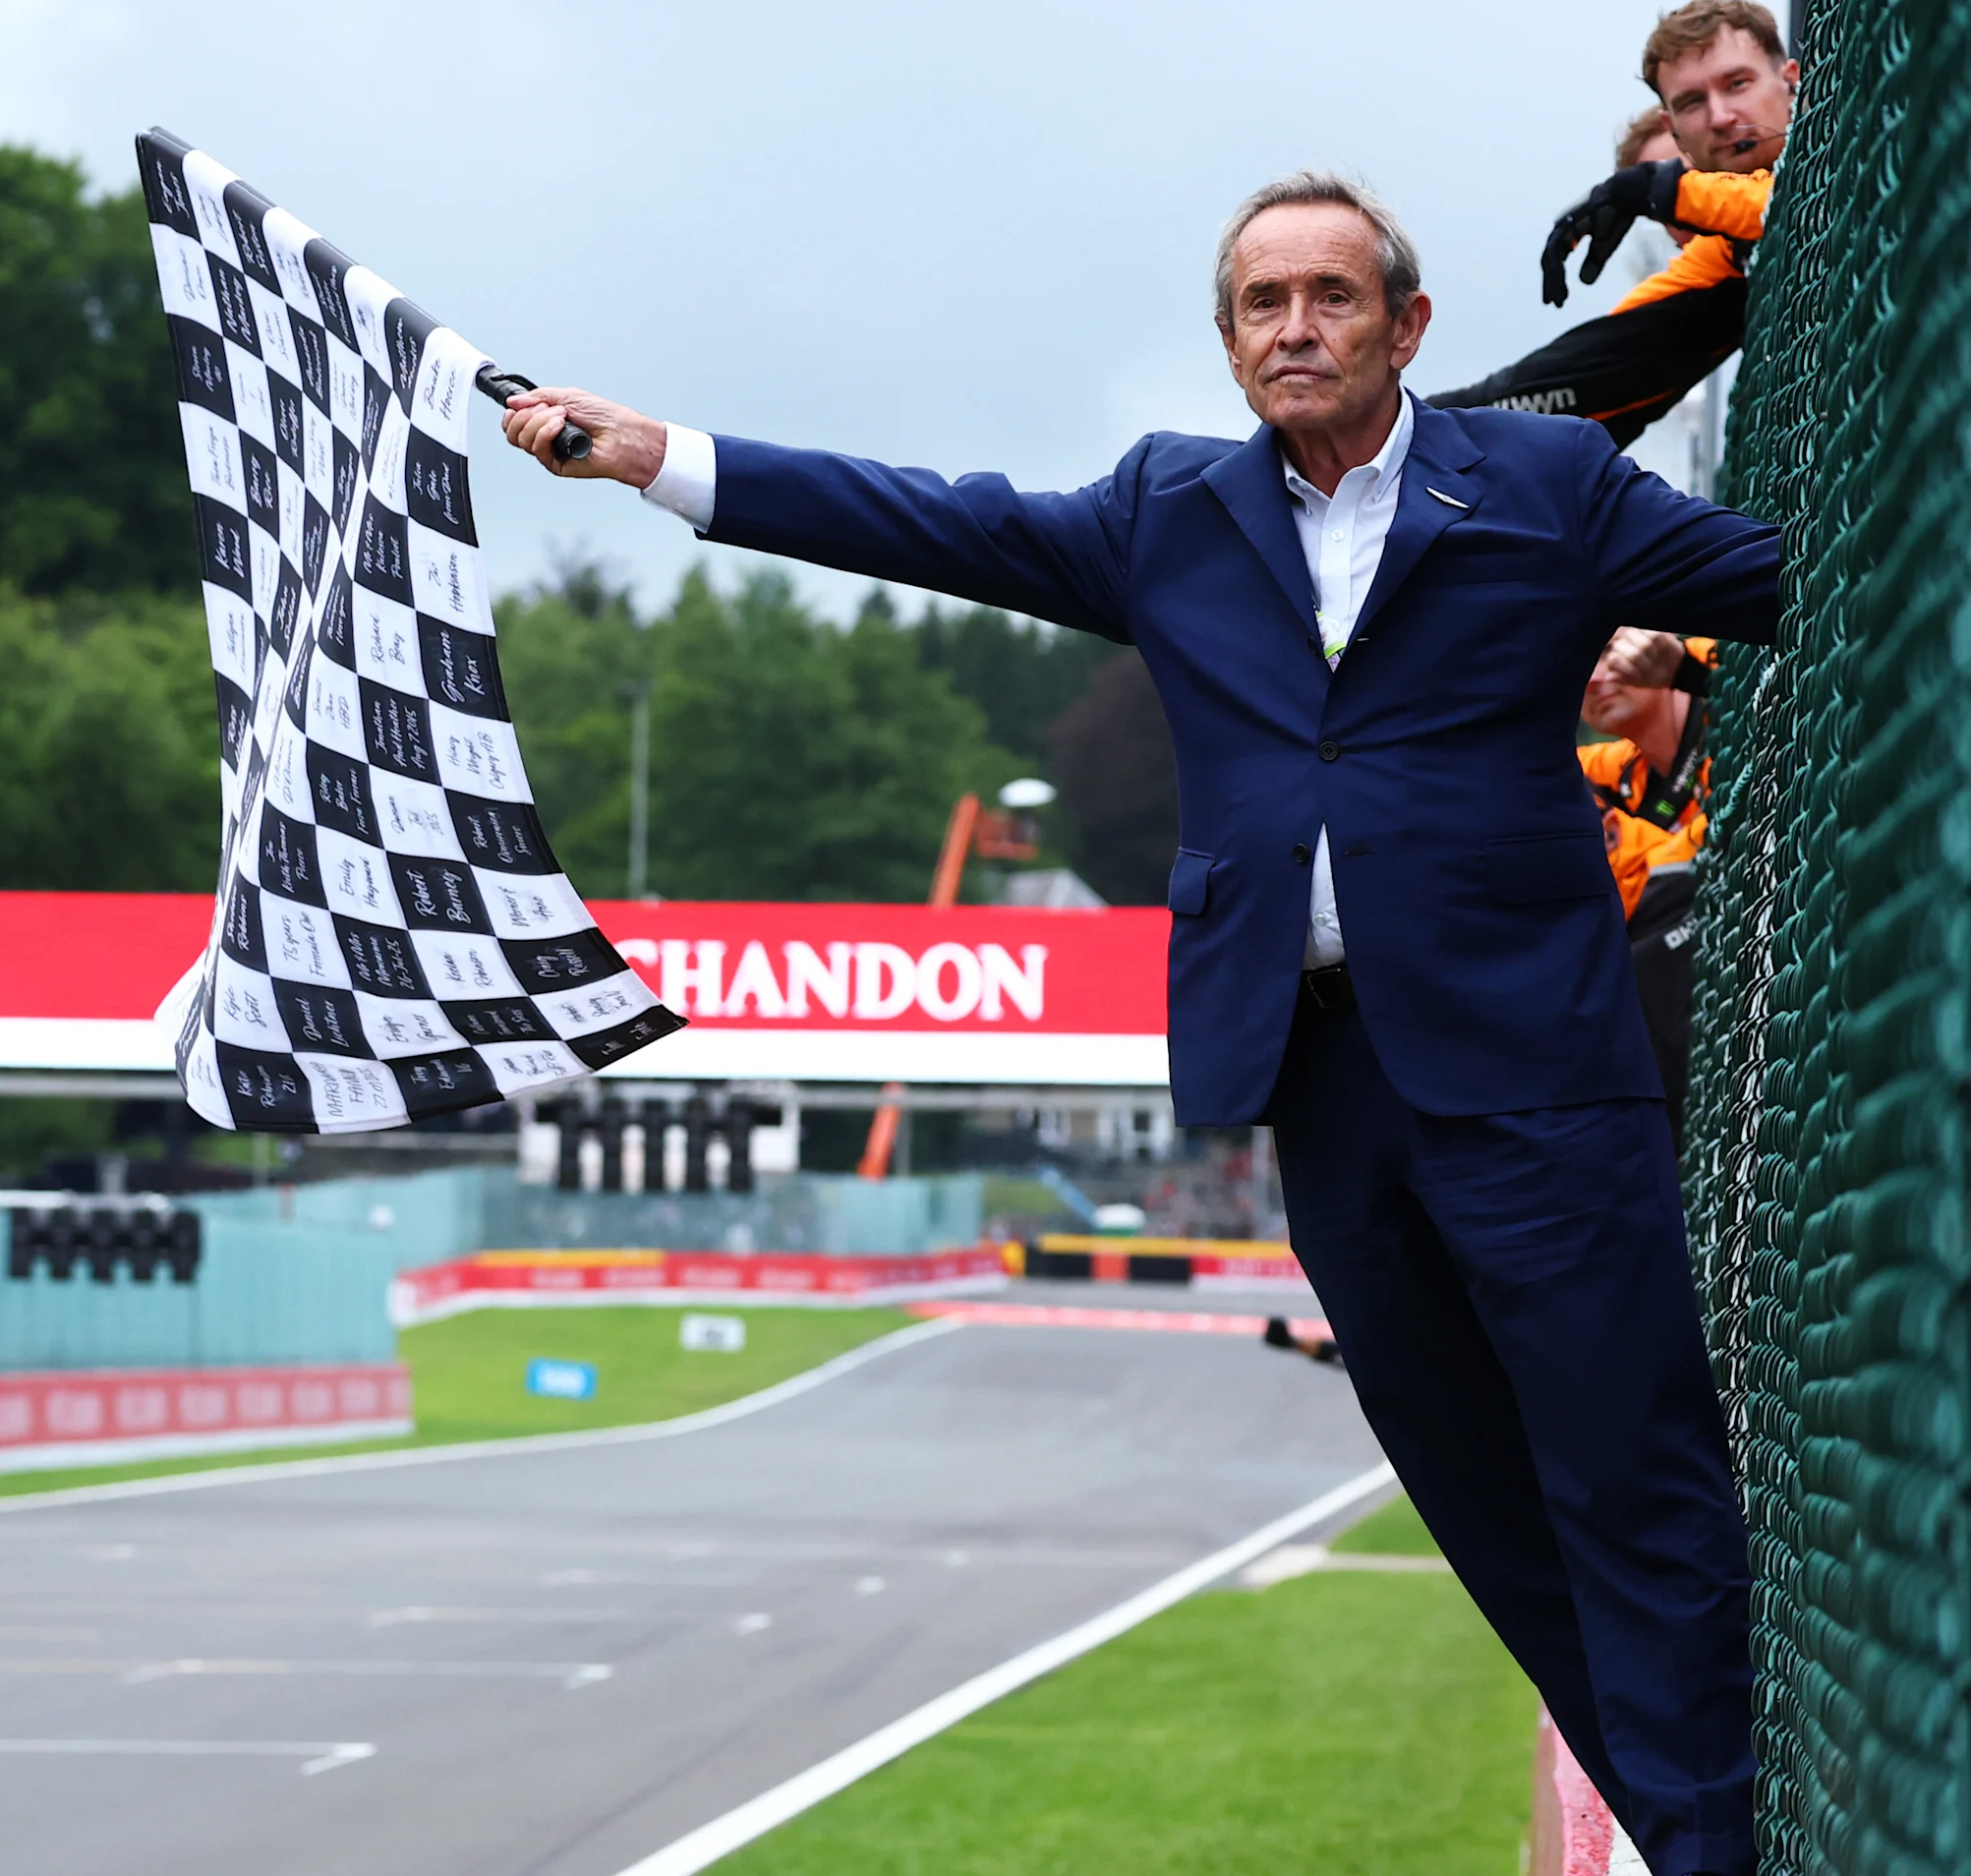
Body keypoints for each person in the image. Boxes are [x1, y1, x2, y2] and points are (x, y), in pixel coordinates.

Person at [496, 172, 1774, 1876]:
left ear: (1407, 326)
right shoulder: (1169, 509)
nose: (1296, 328)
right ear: (1230, 340)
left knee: (1632, 1472)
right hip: (1319, 1080)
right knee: (1479, 1502)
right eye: (1262, 303)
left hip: (1539, 1073)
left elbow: (1787, 581)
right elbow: (926, 521)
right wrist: (661, 455)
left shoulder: (1544, 484)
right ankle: (1693, 1825)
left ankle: (1711, 1844)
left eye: (1332, 296)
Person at [1434, 0, 1796, 440]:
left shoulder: (1843, 132)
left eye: (1738, 83)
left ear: (1791, 80)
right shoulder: (1725, 254)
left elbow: (1783, 204)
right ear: (1677, 127)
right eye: (1692, 103)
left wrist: (1657, 190)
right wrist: (1415, 424)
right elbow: (1591, 368)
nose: (1721, 117)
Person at [1583, 627, 1719, 1143]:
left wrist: (1683, 666)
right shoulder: (1616, 770)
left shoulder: (1714, 667)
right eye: (1575, 665)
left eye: (1604, 649)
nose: (1592, 678)